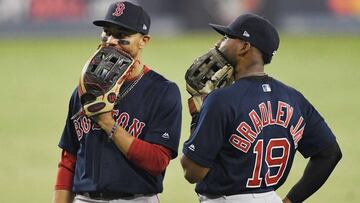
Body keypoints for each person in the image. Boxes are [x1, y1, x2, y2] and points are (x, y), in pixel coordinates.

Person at [181, 13, 342, 203]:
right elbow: (330, 153)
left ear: (244, 47)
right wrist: (291, 200)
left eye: (227, 37)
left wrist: (197, 115)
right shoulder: (294, 98)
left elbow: (192, 172)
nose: (219, 43)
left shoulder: (221, 100)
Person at [53, 1, 182, 203]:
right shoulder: (84, 89)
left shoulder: (163, 91)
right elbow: (69, 159)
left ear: (143, 41)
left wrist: (108, 123)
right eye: (107, 32)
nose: (111, 40)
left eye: (122, 35)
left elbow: (157, 161)